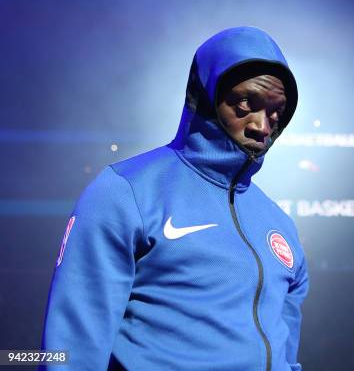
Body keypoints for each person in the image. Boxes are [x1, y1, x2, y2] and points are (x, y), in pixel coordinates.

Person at [41, 26, 309, 371]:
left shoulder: (280, 226)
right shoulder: (125, 192)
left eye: (276, 110)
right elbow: (72, 351)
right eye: (246, 103)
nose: (262, 125)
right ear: (204, 96)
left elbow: (287, 355)